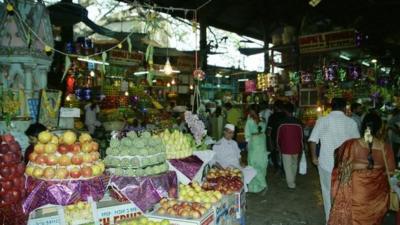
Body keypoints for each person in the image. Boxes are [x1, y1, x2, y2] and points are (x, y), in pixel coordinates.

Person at [328, 113, 396, 225]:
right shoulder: (385, 148)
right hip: (377, 197)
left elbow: (341, 167)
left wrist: (357, 166)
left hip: (356, 194)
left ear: (363, 126)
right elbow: (391, 172)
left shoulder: (351, 144)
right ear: (379, 128)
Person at [308, 98, 360, 222]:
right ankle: (343, 219)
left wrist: (314, 157)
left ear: (331, 107)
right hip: (346, 164)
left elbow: (312, 140)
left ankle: (329, 220)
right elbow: (357, 143)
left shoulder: (322, 120)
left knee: (327, 192)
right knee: (344, 193)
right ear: (344, 108)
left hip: (326, 163)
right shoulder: (351, 122)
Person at [212, 124, 257, 192]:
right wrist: (223, 170)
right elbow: (214, 161)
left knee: (252, 170)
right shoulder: (217, 145)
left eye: (233, 133)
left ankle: (242, 186)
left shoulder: (234, 143)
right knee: (238, 175)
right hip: (226, 167)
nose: (231, 135)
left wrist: (241, 162)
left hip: (237, 165)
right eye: (230, 132)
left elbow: (238, 155)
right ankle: (241, 189)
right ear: (224, 132)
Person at [277, 102, 303, 189]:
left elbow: (278, 137)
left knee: (287, 166)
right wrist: (302, 148)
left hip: (285, 148)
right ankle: (292, 180)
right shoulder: (298, 122)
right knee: (294, 164)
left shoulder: (281, 122)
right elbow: (302, 137)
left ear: (285, 111)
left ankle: (291, 184)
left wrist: (278, 146)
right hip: (296, 148)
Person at [245, 105, 269, 193]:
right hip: (260, 142)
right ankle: (258, 185)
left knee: (256, 164)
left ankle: (262, 184)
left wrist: (247, 144)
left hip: (256, 143)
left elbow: (247, 133)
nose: (249, 113)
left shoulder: (250, 121)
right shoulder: (262, 120)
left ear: (253, 111)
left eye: (250, 111)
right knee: (258, 164)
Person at [267, 100, 287, 171]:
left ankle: (277, 168)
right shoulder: (286, 116)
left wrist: (269, 140)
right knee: (284, 154)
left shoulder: (272, 117)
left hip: (274, 138)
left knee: (274, 153)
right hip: (285, 138)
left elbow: (269, 131)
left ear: (275, 107)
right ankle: (283, 169)